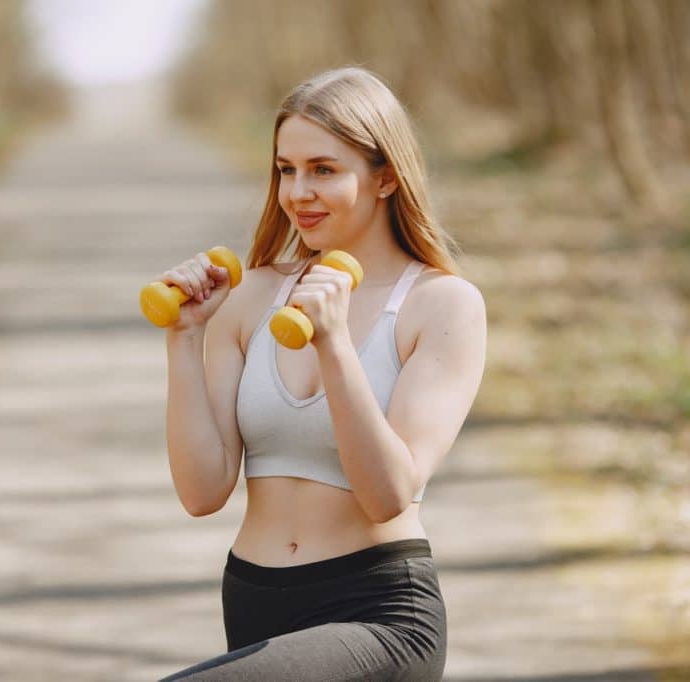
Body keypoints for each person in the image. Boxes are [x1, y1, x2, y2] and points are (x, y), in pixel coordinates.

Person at [157, 66, 486, 681]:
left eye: (323, 169)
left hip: (378, 614)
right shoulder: (252, 297)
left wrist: (334, 344)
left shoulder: (442, 305)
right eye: (286, 169)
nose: (297, 192)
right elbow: (202, 493)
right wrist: (185, 337)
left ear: (386, 175)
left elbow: (388, 495)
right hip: (254, 603)